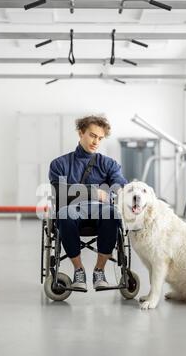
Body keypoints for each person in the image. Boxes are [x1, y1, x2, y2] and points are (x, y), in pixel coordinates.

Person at [48, 115, 127, 291]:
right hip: (71, 211)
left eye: (100, 138)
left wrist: (124, 194)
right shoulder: (60, 164)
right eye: (92, 135)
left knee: (112, 213)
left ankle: (99, 270)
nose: (96, 141)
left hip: (101, 212)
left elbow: (119, 183)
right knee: (64, 214)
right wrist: (93, 192)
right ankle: (79, 270)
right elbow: (60, 191)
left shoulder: (108, 164)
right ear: (81, 132)